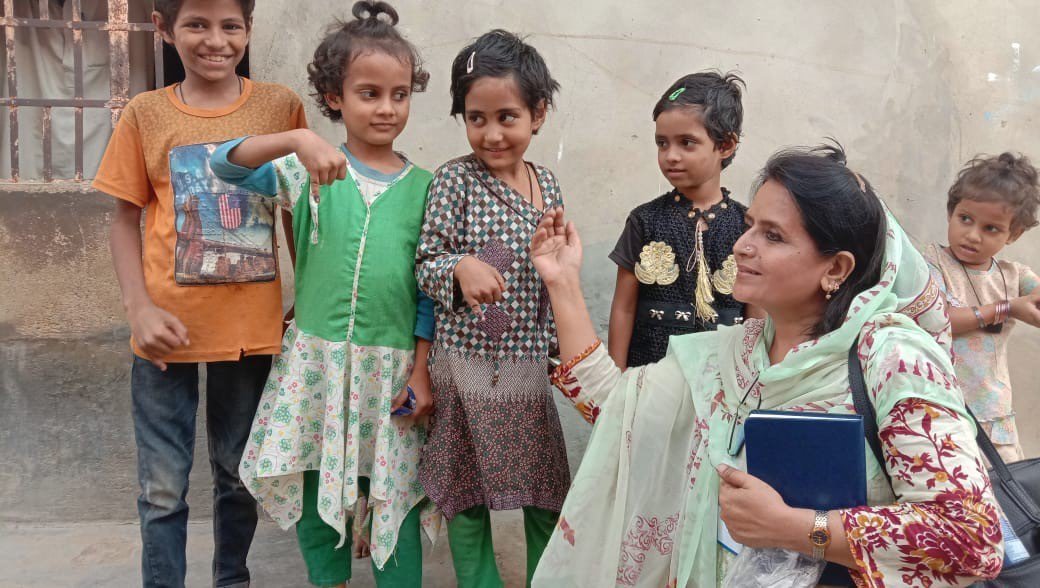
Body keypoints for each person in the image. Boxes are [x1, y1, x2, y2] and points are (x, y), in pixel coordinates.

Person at [528, 144, 1004, 587]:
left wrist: (799, 529)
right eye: (751, 224)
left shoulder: (892, 360)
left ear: (836, 269)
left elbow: (972, 536)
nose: (742, 245)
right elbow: (618, 409)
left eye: (772, 235)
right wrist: (563, 283)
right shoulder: (732, 354)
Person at [211, 2, 437, 586]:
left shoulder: (428, 189)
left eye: (399, 94)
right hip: (317, 365)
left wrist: (422, 370)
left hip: (393, 370)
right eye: (369, 93)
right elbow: (224, 166)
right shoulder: (309, 168)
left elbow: (431, 293)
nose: (386, 108)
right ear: (335, 97)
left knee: (394, 498)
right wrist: (296, 140)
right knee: (318, 491)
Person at [92, 0, 307, 585]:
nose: (216, 40)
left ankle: (231, 579)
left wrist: (305, 296)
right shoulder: (145, 113)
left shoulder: (278, 107)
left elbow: (298, 210)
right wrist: (138, 309)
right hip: (164, 333)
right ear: (163, 29)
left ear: (248, 30)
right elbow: (122, 219)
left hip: (250, 334)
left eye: (230, 25)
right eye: (196, 24)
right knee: (162, 488)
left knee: (238, 476)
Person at [414, 29, 569, 588]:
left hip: (528, 364)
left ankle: (546, 579)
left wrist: (559, 343)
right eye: (476, 118)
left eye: (507, 116)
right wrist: (459, 267)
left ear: (538, 114)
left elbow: (554, 269)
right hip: (464, 364)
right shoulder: (454, 181)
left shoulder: (546, 185)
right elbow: (426, 262)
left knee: (545, 490)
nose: (492, 133)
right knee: (469, 494)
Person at [608, 72, 754, 369]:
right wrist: (616, 381)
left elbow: (758, 314)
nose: (670, 156)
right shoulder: (644, 221)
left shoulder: (749, 227)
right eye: (662, 143)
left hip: (722, 386)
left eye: (687, 143)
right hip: (650, 381)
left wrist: (753, 380)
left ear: (725, 145)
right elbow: (623, 308)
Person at [923, 152, 1040, 463]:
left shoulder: (1013, 275)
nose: (973, 235)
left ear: (1013, 234)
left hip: (994, 417)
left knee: (1006, 499)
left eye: (991, 229)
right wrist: (1007, 308)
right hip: (940, 412)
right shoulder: (932, 264)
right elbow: (937, 318)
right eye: (966, 219)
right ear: (951, 212)